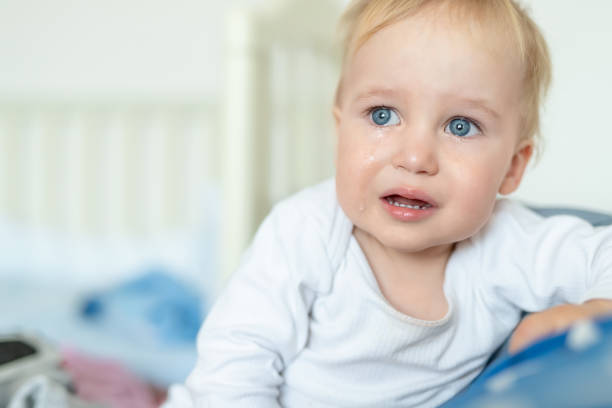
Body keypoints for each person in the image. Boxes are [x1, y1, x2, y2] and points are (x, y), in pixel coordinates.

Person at [163, 0, 612, 406]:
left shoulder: (506, 243)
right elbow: (233, 368)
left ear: (513, 167)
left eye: (460, 126)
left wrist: (593, 310)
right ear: (340, 131)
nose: (415, 157)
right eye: (383, 115)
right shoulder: (304, 232)